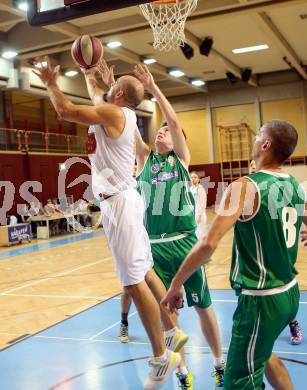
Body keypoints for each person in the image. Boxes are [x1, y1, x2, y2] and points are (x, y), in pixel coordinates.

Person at [34, 56, 187, 389]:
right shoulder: (126, 113)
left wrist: (50, 83)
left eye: (112, 86)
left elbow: (66, 111)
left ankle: (161, 356)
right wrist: (91, 74)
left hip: (118, 204)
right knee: (145, 272)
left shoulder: (113, 113)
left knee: (133, 282)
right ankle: (173, 332)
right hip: (127, 200)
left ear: (116, 92)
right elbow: (96, 97)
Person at [163, 120, 307, 390]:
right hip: (289, 293)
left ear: (266, 145)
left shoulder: (245, 186)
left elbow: (208, 244)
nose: (254, 139)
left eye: (259, 135)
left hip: (261, 301)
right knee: (265, 356)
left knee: (238, 382)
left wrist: (176, 283)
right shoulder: (294, 185)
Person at [109, 63, 224, 389]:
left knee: (203, 306)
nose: (160, 132)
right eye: (157, 130)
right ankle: (182, 372)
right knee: (167, 317)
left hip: (184, 244)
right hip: (153, 247)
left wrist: (154, 88)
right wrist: (111, 88)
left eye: (166, 132)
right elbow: (127, 127)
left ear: (176, 142)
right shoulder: (144, 160)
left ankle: (218, 363)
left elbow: (173, 121)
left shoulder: (181, 160)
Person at [249, 159, 303, 346]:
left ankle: (292, 323)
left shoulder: (274, 190)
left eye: (256, 164)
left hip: (278, 257)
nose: (253, 167)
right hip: (258, 263)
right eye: (251, 165)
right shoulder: (252, 192)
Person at [190, 171, 207, 239]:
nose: (193, 179)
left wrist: (199, 215)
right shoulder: (190, 189)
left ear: (198, 179)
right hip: (193, 213)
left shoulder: (200, 189)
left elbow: (203, 203)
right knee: (195, 234)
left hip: (200, 215)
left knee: (200, 235)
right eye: (191, 177)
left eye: (195, 177)